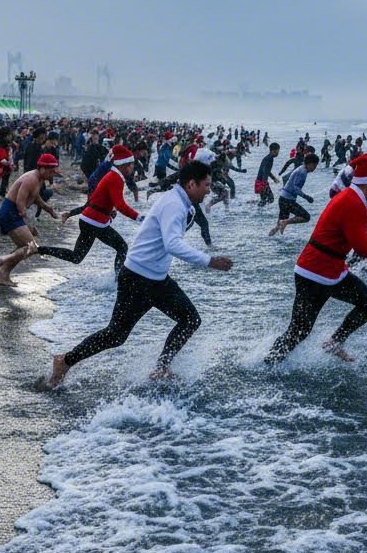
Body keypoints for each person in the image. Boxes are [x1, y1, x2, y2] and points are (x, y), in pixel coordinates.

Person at [48, 160, 232, 388]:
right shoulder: (174, 204)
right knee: (115, 335)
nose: (209, 190)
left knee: (190, 319)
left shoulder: (181, 203)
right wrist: (209, 260)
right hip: (137, 278)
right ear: (192, 184)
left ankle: (161, 369)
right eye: (206, 184)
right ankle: (64, 361)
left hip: (156, 279)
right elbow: (172, 243)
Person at [265, 155, 367, 364]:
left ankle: (335, 342)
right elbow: (361, 245)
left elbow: (365, 230)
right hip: (314, 273)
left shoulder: (354, 200)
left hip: (332, 272)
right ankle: (268, 364)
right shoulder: (351, 202)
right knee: (299, 331)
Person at [37, 145, 141, 275]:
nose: (133, 168)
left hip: (88, 220)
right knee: (122, 247)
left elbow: (100, 200)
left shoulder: (112, 175)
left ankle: (39, 249)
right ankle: (118, 282)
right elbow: (120, 205)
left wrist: (109, 212)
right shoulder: (115, 178)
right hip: (95, 222)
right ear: (124, 165)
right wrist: (138, 217)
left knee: (76, 257)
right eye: (131, 165)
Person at [0, 154, 63, 286]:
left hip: (13, 213)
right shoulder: (31, 178)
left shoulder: (38, 179)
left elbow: (35, 197)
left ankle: (4, 275)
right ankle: (4, 262)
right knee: (31, 247)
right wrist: (27, 224)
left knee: (26, 247)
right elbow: (20, 203)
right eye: (50, 171)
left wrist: (49, 210)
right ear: (42, 168)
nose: (51, 175)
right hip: (10, 212)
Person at [269, 153, 318, 237]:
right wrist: (306, 197)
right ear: (310, 163)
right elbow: (296, 188)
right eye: (314, 166)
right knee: (306, 217)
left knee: (278, 227)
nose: (314, 168)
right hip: (287, 201)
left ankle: (269, 237)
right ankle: (285, 222)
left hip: (283, 199)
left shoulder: (301, 168)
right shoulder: (303, 172)